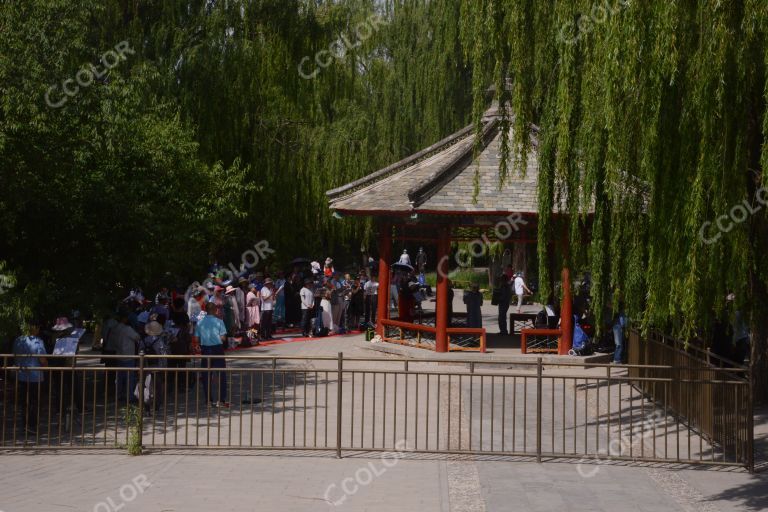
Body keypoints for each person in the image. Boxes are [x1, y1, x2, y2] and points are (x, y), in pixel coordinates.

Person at [13, 319, 48, 433]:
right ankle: (32, 426)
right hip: (35, 376)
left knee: (24, 402)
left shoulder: (18, 340)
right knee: (34, 401)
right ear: (36, 328)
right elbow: (42, 359)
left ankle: (24, 425)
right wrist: (46, 366)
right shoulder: (38, 341)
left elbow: (15, 356)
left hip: (21, 375)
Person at [193, 302, 229, 407]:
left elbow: (196, 338)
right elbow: (223, 338)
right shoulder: (219, 321)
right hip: (217, 349)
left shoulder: (200, 323)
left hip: (205, 349)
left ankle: (208, 400)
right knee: (221, 374)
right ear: (214, 310)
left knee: (206, 376)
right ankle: (221, 400)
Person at [112, 309, 141, 403]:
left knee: (119, 378)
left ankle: (118, 395)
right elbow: (137, 337)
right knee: (129, 378)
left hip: (119, 355)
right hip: (128, 355)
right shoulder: (127, 329)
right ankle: (130, 396)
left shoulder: (115, 327)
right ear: (124, 318)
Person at [494, 267, 513, 335]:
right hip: (505, 303)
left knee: (502, 317)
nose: (500, 280)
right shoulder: (506, 286)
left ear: (503, 279)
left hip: (503, 303)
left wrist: (497, 299)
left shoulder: (505, 286)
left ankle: (504, 331)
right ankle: (503, 330)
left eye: (501, 279)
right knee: (502, 317)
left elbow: (503, 296)